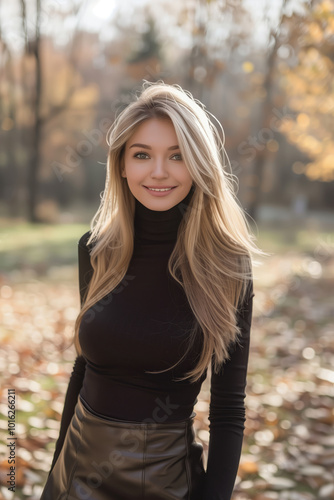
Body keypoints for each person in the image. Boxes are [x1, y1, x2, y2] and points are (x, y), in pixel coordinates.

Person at [41, 80, 266, 500]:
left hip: (161, 478)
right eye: (142, 154)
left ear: (200, 165)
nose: (158, 172)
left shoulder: (227, 265)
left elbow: (229, 406)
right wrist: (55, 471)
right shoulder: (96, 249)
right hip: (76, 468)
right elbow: (84, 367)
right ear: (122, 165)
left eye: (177, 156)